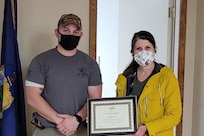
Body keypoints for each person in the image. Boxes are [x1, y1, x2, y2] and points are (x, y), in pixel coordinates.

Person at [25, 13, 102, 136]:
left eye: (75, 32)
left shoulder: (90, 64)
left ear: (80, 35)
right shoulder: (40, 61)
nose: (71, 35)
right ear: (57, 32)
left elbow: (95, 98)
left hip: (80, 128)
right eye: (66, 30)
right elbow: (32, 98)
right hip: (47, 129)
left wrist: (76, 119)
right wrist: (61, 122)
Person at [115, 30, 182, 136]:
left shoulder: (166, 76)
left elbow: (174, 115)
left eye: (147, 48)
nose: (143, 52)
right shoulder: (124, 79)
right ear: (132, 52)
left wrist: (147, 128)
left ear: (154, 50)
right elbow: (120, 113)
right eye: (138, 48)